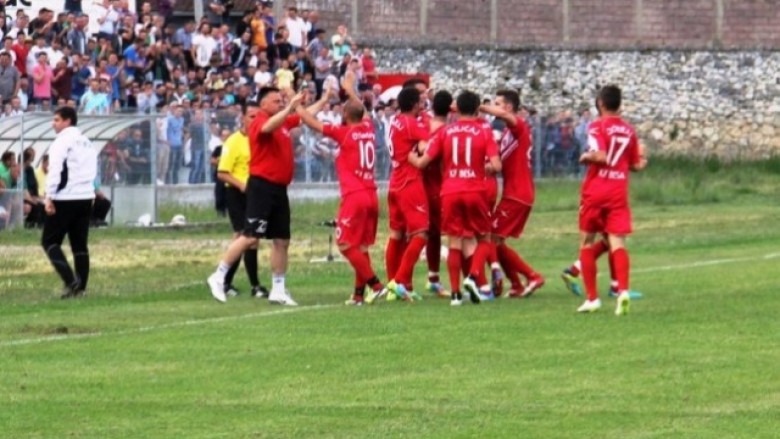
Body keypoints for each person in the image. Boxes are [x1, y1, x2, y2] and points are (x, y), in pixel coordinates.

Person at [207, 87, 306, 305]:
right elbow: (269, 126)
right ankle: (219, 275)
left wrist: (321, 100)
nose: (280, 103)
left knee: (282, 240)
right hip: (262, 186)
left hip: (279, 188)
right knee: (250, 236)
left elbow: (304, 118)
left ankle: (278, 289)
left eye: (282, 101)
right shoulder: (260, 120)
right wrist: (290, 105)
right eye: (276, 100)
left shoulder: (282, 123)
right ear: (263, 104)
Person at [409, 90, 502, 305]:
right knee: (485, 238)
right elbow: (496, 165)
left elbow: (424, 162)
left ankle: (455, 294)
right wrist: (483, 167)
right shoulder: (484, 131)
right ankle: (473, 275)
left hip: (450, 190)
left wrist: (411, 158)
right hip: (475, 190)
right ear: (478, 109)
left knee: (454, 241)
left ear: (457, 109)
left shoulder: (446, 132)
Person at [296, 89, 388, 306]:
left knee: (345, 244)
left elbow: (311, 122)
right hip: (371, 194)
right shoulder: (369, 128)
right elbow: (363, 111)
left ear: (345, 116)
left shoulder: (344, 133)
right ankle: (358, 295)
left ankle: (376, 286)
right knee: (361, 246)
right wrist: (349, 88)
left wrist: (296, 105)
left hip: (354, 195)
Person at [575, 85, 647, 315]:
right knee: (617, 243)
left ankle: (592, 299)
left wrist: (586, 156)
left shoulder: (597, 126)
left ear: (601, 104)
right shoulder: (628, 130)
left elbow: (601, 155)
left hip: (596, 191)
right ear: (619, 104)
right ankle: (623, 291)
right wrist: (643, 157)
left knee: (587, 242)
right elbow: (636, 165)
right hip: (618, 191)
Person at [480, 90, 545, 298]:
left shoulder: (518, 125)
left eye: (498, 104)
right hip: (515, 193)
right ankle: (516, 284)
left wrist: (479, 107)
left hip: (518, 194)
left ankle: (532, 276)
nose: (494, 107)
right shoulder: (508, 133)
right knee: (496, 241)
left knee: (490, 237)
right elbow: (497, 164)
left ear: (508, 107)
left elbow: (508, 118)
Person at [41, 106, 98, 299]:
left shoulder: (61, 142)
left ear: (67, 121)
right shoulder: (87, 142)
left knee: (49, 240)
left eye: (56, 120)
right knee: (79, 245)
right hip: (85, 196)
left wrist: (49, 197)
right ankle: (81, 288)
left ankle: (70, 281)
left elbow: (55, 170)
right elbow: (92, 170)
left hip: (65, 197)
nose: (53, 123)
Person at [216, 102, 270, 299]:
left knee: (253, 239)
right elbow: (222, 173)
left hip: (255, 193)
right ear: (243, 118)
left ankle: (254, 285)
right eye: (251, 116)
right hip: (237, 194)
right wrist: (241, 185)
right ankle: (226, 282)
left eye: (258, 116)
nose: (255, 120)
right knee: (243, 237)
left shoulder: (259, 139)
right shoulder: (233, 141)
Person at [384, 87, 430, 301]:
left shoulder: (395, 120)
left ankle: (395, 285)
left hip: (394, 182)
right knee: (421, 234)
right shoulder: (412, 124)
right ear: (414, 105)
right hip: (409, 182)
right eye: (420, 101)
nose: (422, 105)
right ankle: (399, 281)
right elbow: (425, 147)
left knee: (396, 235)